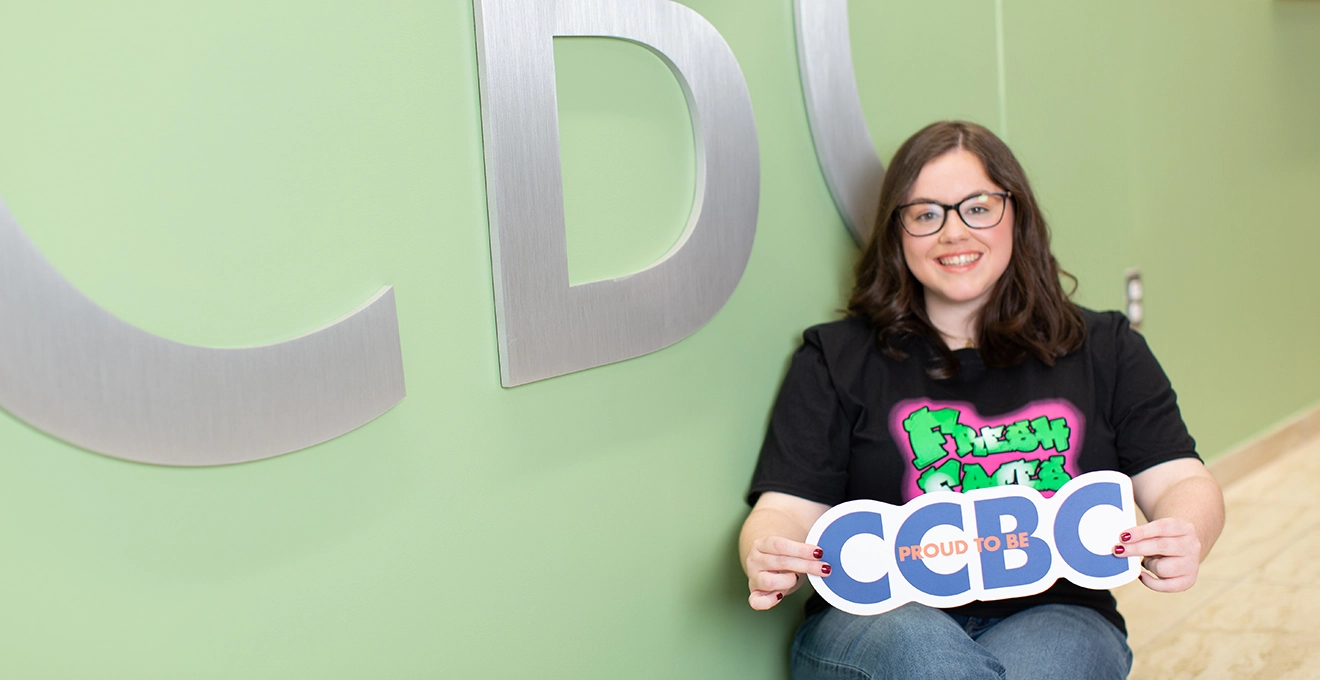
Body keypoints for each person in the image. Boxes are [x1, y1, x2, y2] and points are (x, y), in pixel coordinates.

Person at [739, 120, 1224, 679]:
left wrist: (1187, 532)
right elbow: (785, 510)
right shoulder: (834, 358)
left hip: (1058, 614)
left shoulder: (1106, 348)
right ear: (897, 234)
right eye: (926, 214)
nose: (953, 233)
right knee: (927, 659)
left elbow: (1182, 481)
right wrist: (766, 552)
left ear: (1016, 214)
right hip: (881, 621)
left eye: (978, 207)